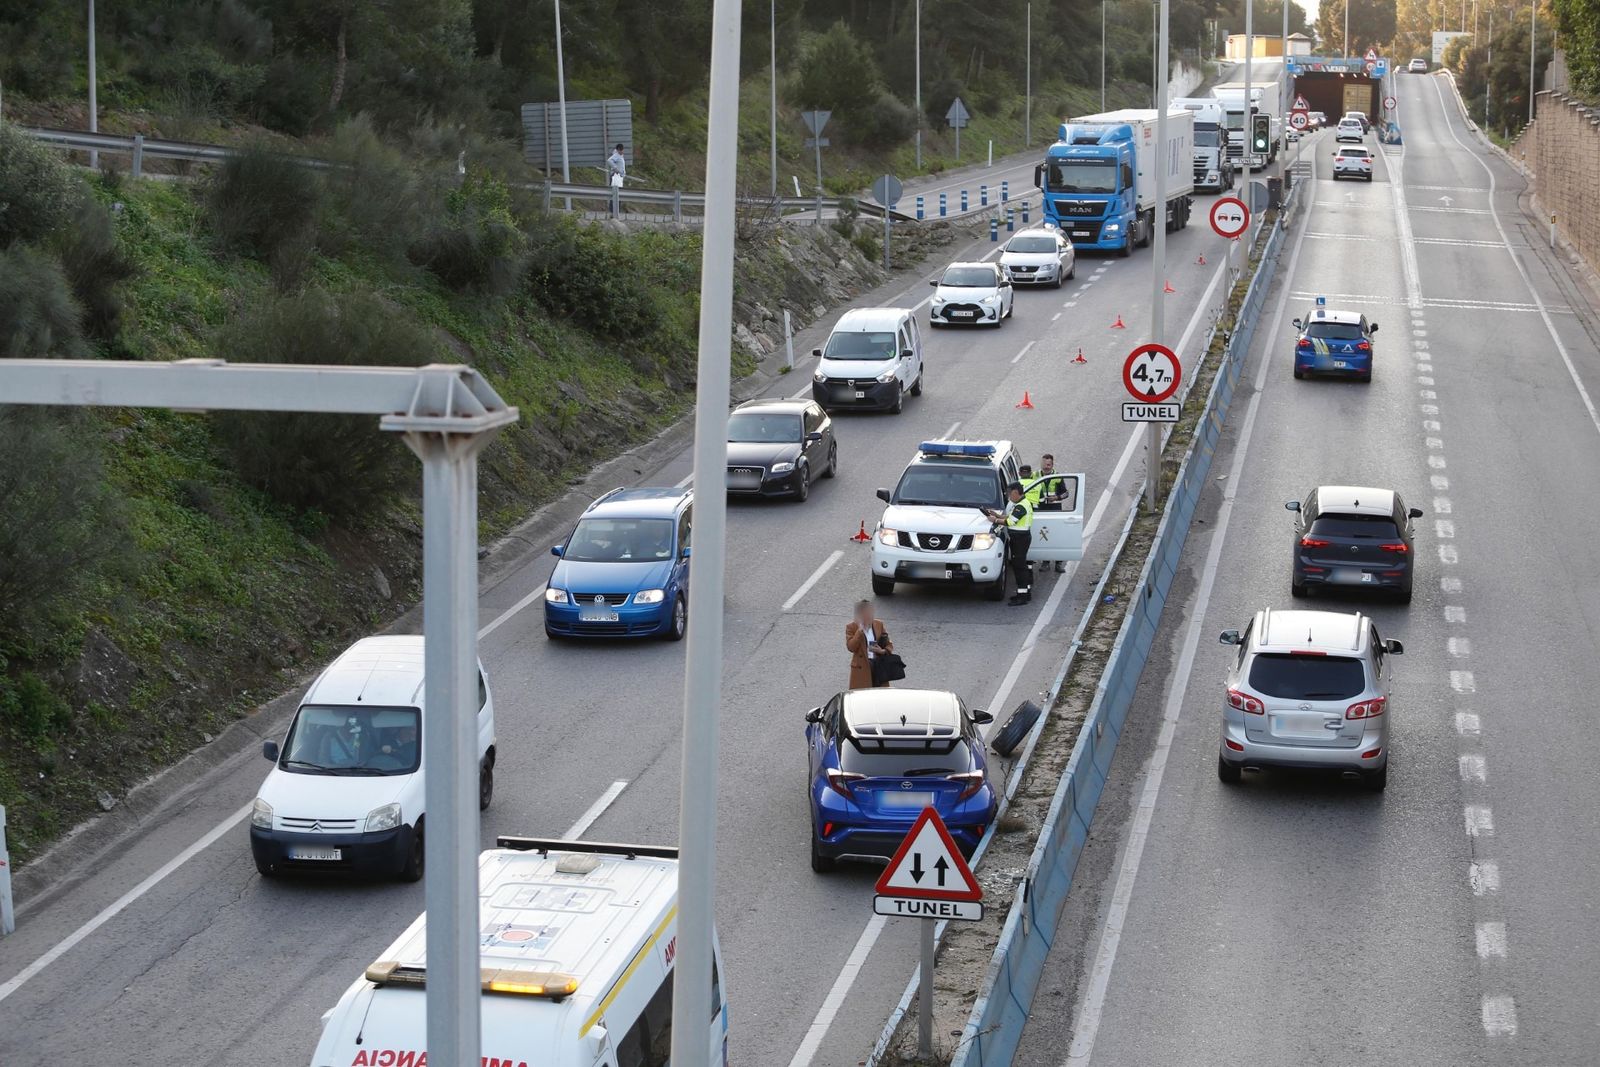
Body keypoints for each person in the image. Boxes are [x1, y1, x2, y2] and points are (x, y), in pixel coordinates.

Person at [986, 482, 1034, 606]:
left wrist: (995, 520)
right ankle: (1025, 593)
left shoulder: (1021, 506)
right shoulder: (1022, 504)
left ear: (1015, 492)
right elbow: (1011, 516)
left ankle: (1022, 596)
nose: (1009, 496)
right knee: (1021, 565)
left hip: (1020, 539)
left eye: (1009, 493)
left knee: (1019, 567)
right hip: (1021, 538)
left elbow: (1011, 522)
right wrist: (998, 515)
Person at [1031, 453, 1070, 572]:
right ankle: (1045, 562)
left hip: (1055, 510)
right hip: (1041, 510)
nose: (1046, 466)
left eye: (1048, 464)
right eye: (1044, 463)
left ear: (1052, 465)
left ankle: (1058, 563)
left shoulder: (1058, 476)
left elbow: (1066, 493)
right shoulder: (1035, 475)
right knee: (1044, 536)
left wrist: (1057, 498)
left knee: (1057, 537)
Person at [845, 600, 893, 689]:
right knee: (863, 697)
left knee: (880, 695)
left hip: (878, 666)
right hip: (862, 668)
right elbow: (851, 647)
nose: (869, 615)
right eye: (866, 613)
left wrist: (881, 651)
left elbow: (889, 645)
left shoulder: (879, 624)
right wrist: (860, 631)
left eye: (870, 612)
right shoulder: (851, 627)